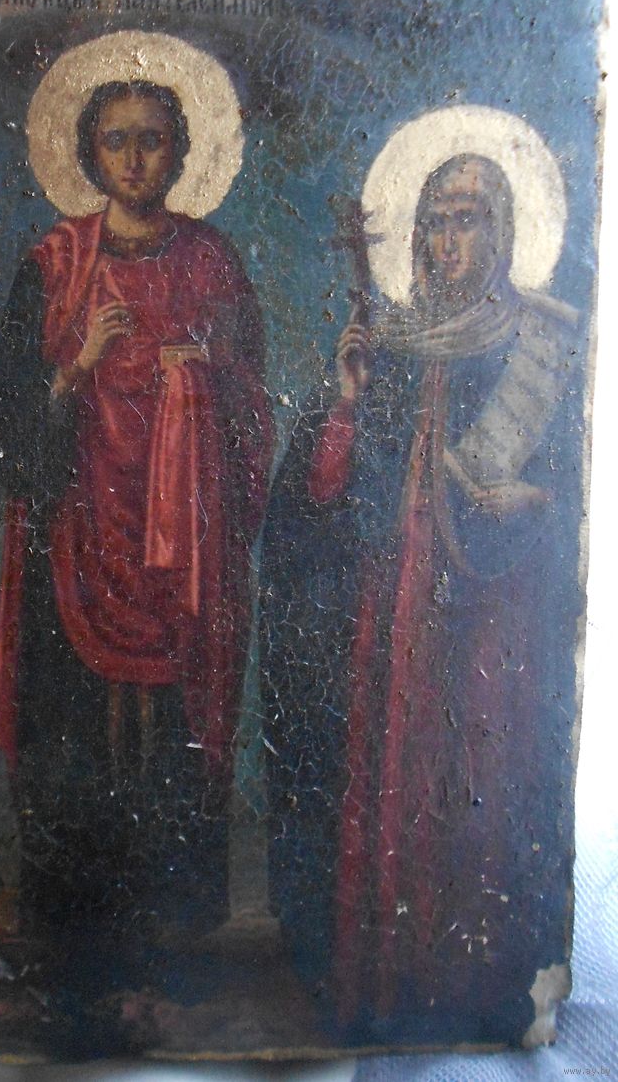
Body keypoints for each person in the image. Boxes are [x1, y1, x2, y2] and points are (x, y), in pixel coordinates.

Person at [260, 153, 581, 1045]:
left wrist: (531, 502)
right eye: (435, 220)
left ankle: (477, 985)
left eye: (467, 218)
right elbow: (316, 499)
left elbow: (572, 498)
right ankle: (389, 979)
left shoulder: (541, 345)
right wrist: (347, 399)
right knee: (394, 778)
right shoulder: (395, 342)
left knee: (480, 780)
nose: (447, 239)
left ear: (504, 229)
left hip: (491, 618)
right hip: (398, 613)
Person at [0, 80, 272, 955]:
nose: (135, 158)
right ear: (88, 154)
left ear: (180, 152)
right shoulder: (56, 265)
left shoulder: (213, 264)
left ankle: (174, 942)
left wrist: (202, 378)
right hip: (75, 551)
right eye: (116, 140)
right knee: (74, 742)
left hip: (181, 566)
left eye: (152, 139)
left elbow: (255, 411)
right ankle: (74, 940)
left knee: (172, 746)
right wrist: (75, 367)